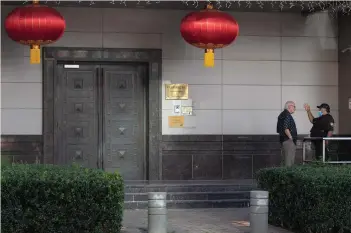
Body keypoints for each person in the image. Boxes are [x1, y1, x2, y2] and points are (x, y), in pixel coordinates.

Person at [277, 101, 297, 167]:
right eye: (294, 106)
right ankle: (289, 177)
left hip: (283, 140)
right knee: (289, 162)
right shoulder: (287, 115)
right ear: (289, 106)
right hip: (288, 141)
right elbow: (286, 128)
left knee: (284, 160)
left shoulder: (282, 114)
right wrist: (291, 138)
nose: (295, 108)